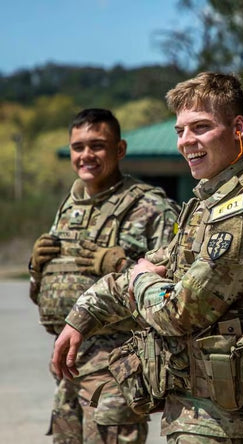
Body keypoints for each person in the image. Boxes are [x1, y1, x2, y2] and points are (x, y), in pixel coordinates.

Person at [51, 72, 243, 443]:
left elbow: (181, 310)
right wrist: (83, 315)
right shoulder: (215, 204)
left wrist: (142, 278)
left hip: (224, 421)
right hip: (209, 412)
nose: (187, 141)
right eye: (180, 130)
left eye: (201, 127)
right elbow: (163, 264)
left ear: (238, 127)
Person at [28, 108, 180, 443]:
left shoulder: (150, 206)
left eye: (97, 145)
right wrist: (37, 270)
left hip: (117, 367)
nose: (86, 155)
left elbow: (173, 290)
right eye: (78, 147)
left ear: (120, 150)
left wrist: (119, 264)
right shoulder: (70, 207)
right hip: (68, 364)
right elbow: (49, 289)